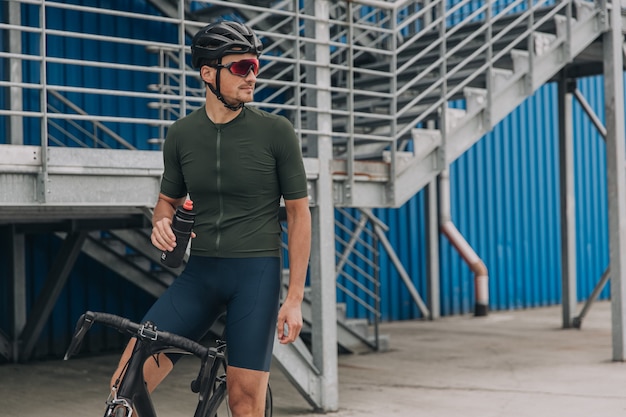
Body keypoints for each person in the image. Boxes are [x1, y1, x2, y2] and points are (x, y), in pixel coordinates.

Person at [111, 20, 311, 417]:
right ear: (208, 72)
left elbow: (299, 214)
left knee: (244, 403)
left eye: (255, 66)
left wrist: (294, 299)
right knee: (124, 386)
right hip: (199, 275)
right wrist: (161, 223)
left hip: (255, 274)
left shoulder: (276, 132)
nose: (252, 75)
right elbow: (166, 202)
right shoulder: (182, 134)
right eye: (240, 67)